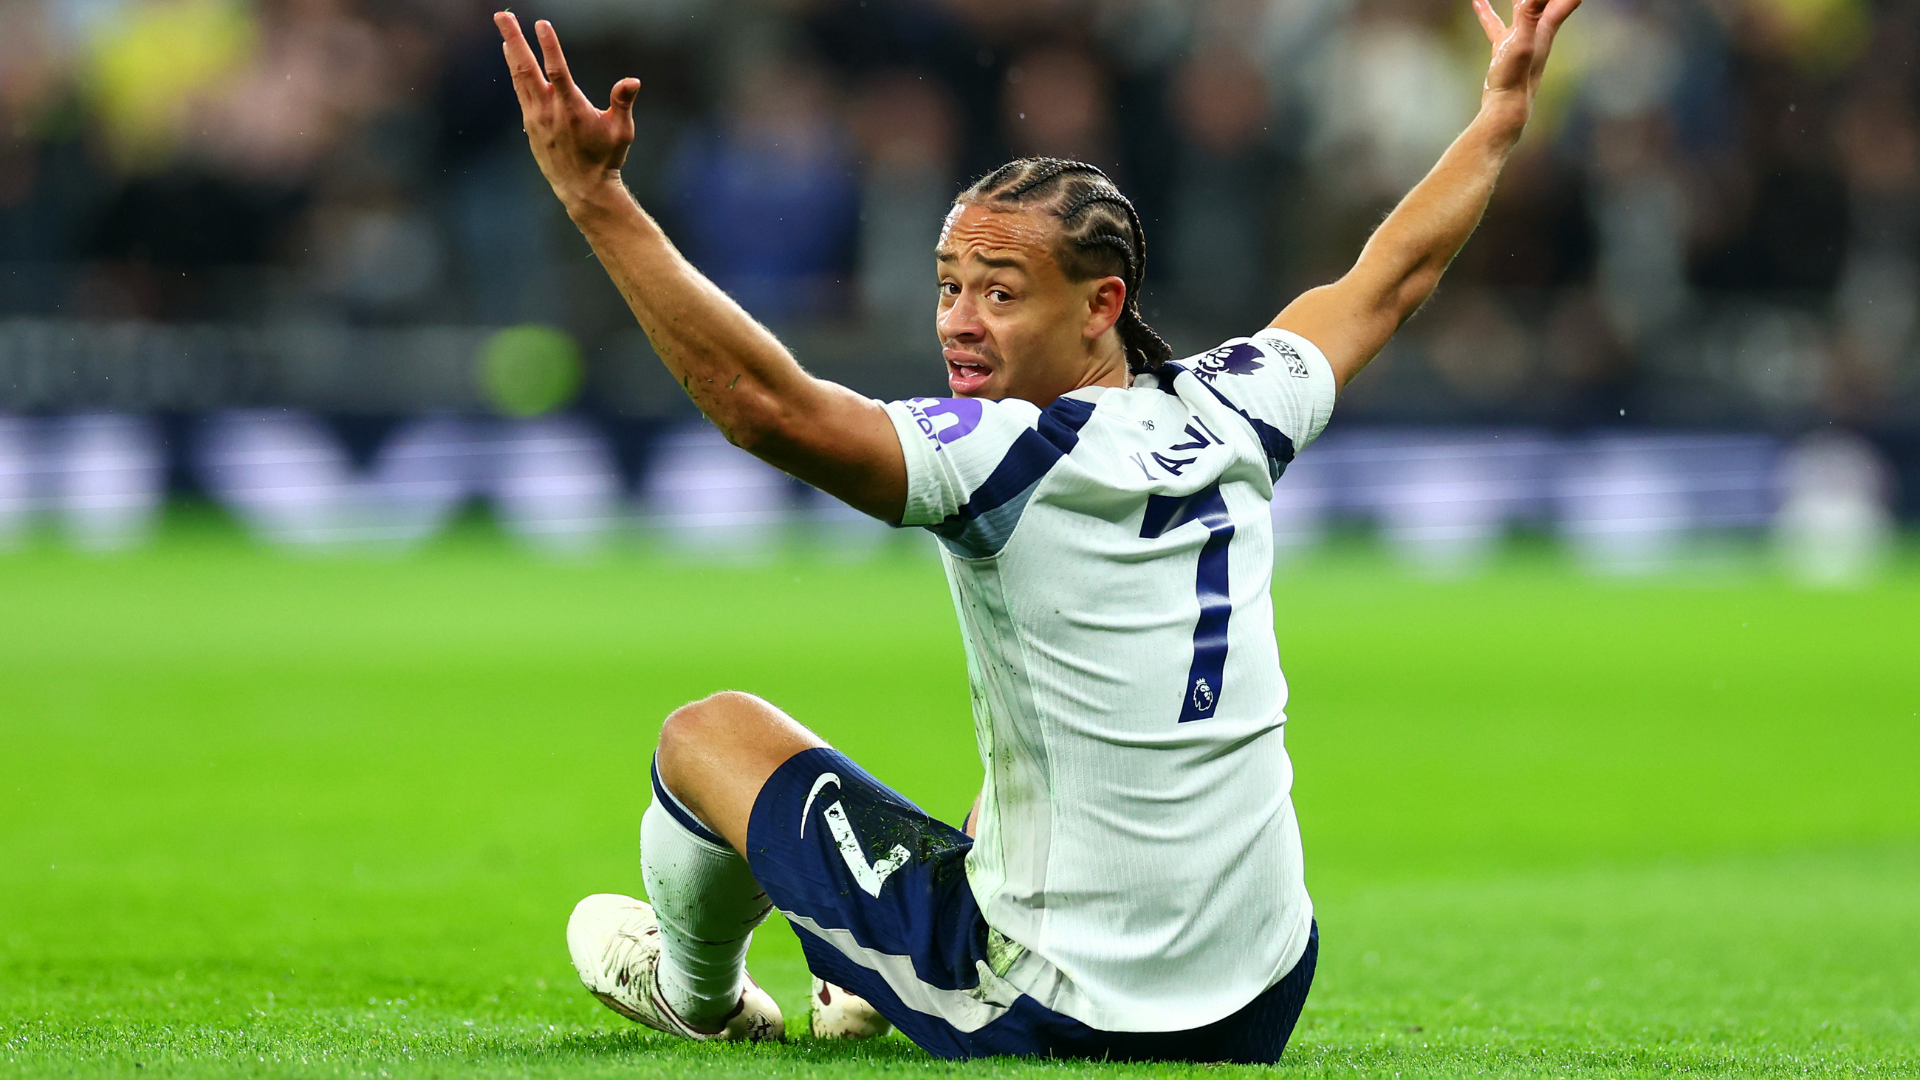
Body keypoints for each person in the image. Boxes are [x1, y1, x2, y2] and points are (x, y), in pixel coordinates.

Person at [494, 0, 1580, 1063]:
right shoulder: (1240, 402)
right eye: (948, 287)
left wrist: (596, 199)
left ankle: (699, 994)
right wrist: (1498, 118)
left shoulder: (1005, 455)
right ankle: (874, 972)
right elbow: (1389, 280)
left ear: (1101, 305)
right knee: (1017, 779)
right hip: (1261, 995)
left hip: (1063, 1009)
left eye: (1000, 294)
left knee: (707, 735)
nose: (959, 323)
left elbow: (764, 407)